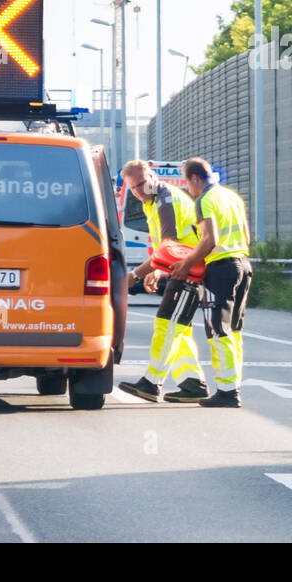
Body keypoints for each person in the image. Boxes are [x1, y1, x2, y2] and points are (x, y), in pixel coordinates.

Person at [115, 160, 210, 404]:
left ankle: (152, 383)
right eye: (134, 188)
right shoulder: (153, 201)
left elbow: (169, 246)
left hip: (188, 271)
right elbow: (166, 248)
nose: (140, 190)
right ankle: (192, 383)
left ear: (152, 176)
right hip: (184, 268)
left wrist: (135, 275)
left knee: (165, 325)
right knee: (178, 331)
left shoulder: (165, 200)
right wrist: (157, 270)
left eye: (143, 183)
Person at [170, 157, 251, 408]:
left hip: (221, 268)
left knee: (218, 329)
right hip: (243, 264)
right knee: (234, 331)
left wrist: (186, 263)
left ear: (195, 178)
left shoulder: (204, 200)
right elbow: (246, 234)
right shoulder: (231, 196)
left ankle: (227, 392)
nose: (187, 188)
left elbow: (209, 240)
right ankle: (232, 385)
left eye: (186, 182)